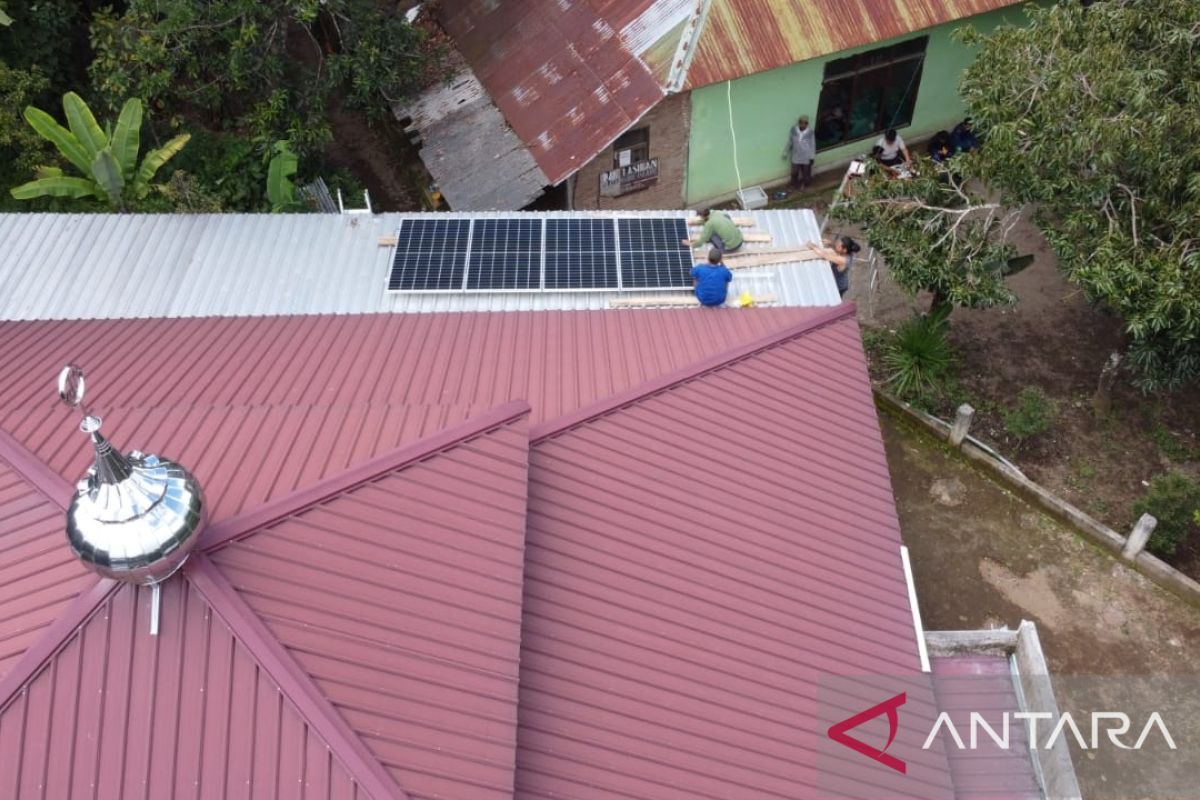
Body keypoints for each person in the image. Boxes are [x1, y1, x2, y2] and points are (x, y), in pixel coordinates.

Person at [783, 115, 816, 189]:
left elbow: (812, 145)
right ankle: (793, 184)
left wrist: (812, 157)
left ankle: (805, 184)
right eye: (801, 122)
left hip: (806, 156)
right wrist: (785, 152)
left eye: (805, 123)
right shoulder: (794, 130)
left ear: (807, 124)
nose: (803, 124)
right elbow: (790, 142)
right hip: (796, 155)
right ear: (799, 122)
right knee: (794, 172)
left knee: (806, 172)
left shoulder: (810, 132)